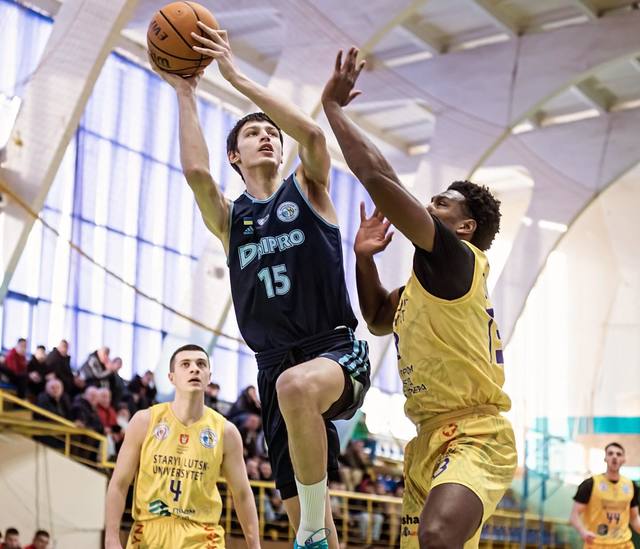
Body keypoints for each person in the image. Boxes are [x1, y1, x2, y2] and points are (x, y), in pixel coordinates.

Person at [152, 22, 371, 549]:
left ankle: (312, 528)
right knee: (305, 521)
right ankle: (314, 531)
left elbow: (313, 136)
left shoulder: (308, 189)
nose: (266, 136)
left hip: (334, 351)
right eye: (253, 134)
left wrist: (235, 76)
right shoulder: (233, 220)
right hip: (273, 369)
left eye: (271, 131)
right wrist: (185, 91)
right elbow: (196, 173)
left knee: (297, 390)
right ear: (235, 156)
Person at [321, 47, 517, 549]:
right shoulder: (424, 285)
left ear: (464, 227)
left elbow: (379, 179)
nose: (429, 206)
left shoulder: (457, 259)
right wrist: (363, 259)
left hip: (475, 434)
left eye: (442, 203)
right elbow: (377, 318)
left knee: (436, 534)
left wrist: (333, 110)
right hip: (428, 435)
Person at [105, 344, 259, 549]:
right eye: (185, 364)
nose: (194, 369)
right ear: (171, 377)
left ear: (209, 377)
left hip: (203, 537)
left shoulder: (226, 432)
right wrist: (111, 538)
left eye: (201, 364)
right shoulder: (144, 421)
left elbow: (242, 494)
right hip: (149, 534)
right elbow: (119, 483)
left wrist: (255, 545)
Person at [570, 442, 640, 548]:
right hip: (596, 543)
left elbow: (634, 518)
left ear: (623, 460)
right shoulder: (590, 484)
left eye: (619, 454)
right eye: (610, 453)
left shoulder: (631, 485)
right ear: (605, 458)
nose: (614, 457)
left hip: (623, 544)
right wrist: (583, 532)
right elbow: (574, 515)